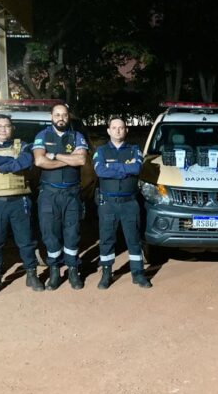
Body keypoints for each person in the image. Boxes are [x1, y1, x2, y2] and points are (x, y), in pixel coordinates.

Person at [0, 114, 45, 296]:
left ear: (12, 128)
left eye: (6, 126)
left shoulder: (24, 146)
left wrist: (2, 167)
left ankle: (31, 274)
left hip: (19, 201)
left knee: (26, 241)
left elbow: (26, 161)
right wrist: (12, 161)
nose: (3, 129)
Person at [32, 103, 88, 290]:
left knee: (72, 232)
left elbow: (81, 159)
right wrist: (68, 159)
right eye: (57, 115)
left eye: (64, 115)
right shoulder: (42, 136)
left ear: (68, 117)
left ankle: (73, 270)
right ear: (51, 117)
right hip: (49, 193)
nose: (61, 118)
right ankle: (54, 270)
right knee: (50, 233)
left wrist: (55, 155)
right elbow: (40, 161)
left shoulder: (77, 136)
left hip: (72, 193)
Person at [93, 117, 150, 289]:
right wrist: (125, 169)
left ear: (126, 130)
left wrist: (113, 168)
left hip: (129, 203)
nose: (118, 130)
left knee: (133, 239)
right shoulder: (101, 151)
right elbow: (100, 171)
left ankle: (138, 274)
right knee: (106, 239)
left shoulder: (134, 150)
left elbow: (136, 168)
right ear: (108, 131)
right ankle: (106, 274)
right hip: (108, 203)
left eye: (121, 127)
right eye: (114, 127)